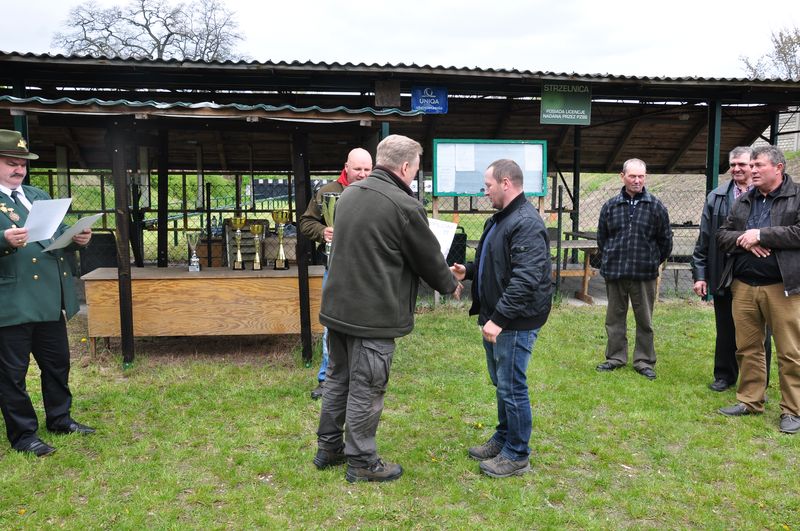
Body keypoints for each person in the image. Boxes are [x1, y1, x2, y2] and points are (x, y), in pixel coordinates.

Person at [314, 134, 462, 483]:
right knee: (367, 386)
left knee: (338, 379)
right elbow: (427, 257)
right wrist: (450, 282)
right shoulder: (405, 206)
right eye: (416, 169)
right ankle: (362, 461)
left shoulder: (349, 195)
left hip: (338, 308)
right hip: (373, 315)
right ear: (406, 167)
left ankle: (329, 447)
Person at [450, 159, 552, 478]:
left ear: (506, 183)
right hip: (497, 317)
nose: (486, 191)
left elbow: (526, 278)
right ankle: (504, 437)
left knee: (511, 385)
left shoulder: (526, 222)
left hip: (514, 321)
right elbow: (492, 261)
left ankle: (517, 454)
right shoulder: (498, 220)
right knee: (502, 384)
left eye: (489, 185)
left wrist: (500, 319)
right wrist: (468, 271)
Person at [0, 129, 94, 457]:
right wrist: (3, 240)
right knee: (12, 375)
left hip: (50, 299)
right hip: (11, 302)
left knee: (57, 364)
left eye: (22, 164)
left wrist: (77, 237)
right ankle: (24, 435)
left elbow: (54, 235)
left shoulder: (37, 195)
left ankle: (59, 418)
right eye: (11, 163)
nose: (19, 170)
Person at [716, 145, 800, 434]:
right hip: (744, 286)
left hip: (783, 288)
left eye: (758, 165)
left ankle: (793, 411)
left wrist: (762, 234)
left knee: (790, 352)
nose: (751, 170)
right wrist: (746, 238)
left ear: (778, 168)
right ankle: (750, 400)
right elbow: (722, 236)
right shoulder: (745, 200)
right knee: (748, 348)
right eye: (750, 165)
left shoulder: (796, 196)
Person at [692, 146, 772, 392]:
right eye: (734, 164)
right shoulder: (716, 196)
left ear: (754, 166)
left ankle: (759, 381)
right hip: (723, 272)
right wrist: (701, 274)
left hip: (757, 274)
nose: (737, 169)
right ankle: (724, 375)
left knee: (759, 332)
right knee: (725, 327)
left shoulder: (767, 196)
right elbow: (705, 238)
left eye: (743, 164)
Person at [298, 148, 373, 400]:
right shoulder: (327, 191)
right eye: (358, 169)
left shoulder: (377, 191)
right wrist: (323, 232)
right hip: (337, 269)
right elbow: (306, 222)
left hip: (369, 270)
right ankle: (327, 379)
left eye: (367, 169)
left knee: (366, 325)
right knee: (332, 324)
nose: (362, 174)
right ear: (346, 167)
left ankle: (361, 379)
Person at [595, 158, 673, 380]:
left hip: (644, 273)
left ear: (645, 177)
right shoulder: (610, 206)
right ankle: (615, 357)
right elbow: (603, 238)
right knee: (614, 318)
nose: (637, 180)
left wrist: (651, 261)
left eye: (641, 176)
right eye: (633, 176)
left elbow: (665, 240)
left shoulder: (656, 206)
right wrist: (612, 256)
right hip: (616, 272)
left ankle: (644, 360)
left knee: (645, 320)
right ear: (623, 177)